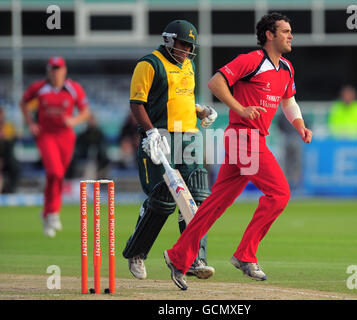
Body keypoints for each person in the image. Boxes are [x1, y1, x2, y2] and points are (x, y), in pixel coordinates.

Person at [163, 12, 313, 290]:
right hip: (243, 138)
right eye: (285, 31)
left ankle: (177, 256)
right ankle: (245, 255)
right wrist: (241, 109)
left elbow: (289, 101)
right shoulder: (252, 60)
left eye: (290, 31)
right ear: (269, 35)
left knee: (215, 204)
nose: (290, 35)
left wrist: (300, 126)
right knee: (279, 193)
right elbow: (215, 83)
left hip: (251, 140)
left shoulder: (287, 69)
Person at [122, 20, 218, 280]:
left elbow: (181, 98)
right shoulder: (149, 64)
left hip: (189, 137)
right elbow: (137, 104)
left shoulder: (188, 64)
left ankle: (194, 258)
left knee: (198, 195)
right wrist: (151, 132)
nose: (186, 50)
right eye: (182, 44)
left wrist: (200, 111)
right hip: (160, 138)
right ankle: (137, 252)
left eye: (190, 46)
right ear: (168, 40)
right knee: (163, 199)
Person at [20, 56, 90, 237]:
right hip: (46, 135)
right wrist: (30, 124)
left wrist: (73, 120)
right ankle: (53, 212)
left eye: (58, 68)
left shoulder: (73, 88)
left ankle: (48, 213)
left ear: (64, 70)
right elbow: (23, 103)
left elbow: (85, 112)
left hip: (66, 136)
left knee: (57, 176)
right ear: (48, 71)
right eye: (52, 69)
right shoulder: (39, 88)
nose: (55, 72)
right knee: (55, 172)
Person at [68, 114, 110, 178]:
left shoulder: (100, 135)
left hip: (98, 162)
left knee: (92, 168)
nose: (92, 122)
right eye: (90, 120)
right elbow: (78, 150)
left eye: (93, 120)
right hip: (84, 161)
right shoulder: (82, 135)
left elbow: (103, 151)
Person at [0, 106, 20, 193]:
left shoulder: (8, 126)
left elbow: (16, 136)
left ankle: (10, 191)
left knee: (15, 168)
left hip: (7, 157)